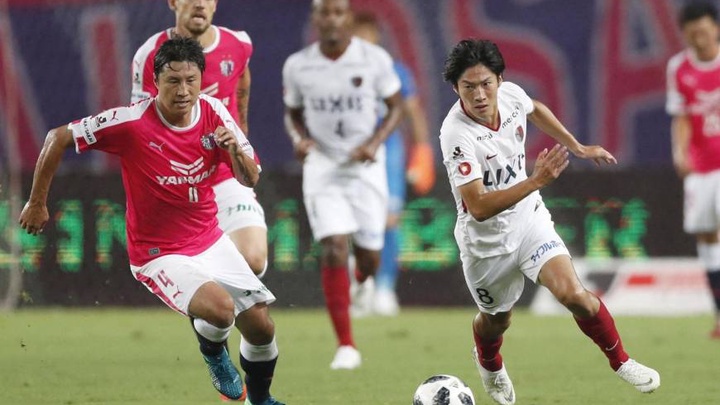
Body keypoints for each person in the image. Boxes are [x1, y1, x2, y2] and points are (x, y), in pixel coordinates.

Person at [20, 37, 284, 405]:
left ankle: (261, 399)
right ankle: (214, 356)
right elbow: (57, 137)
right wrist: (37, 202)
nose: (183, 90)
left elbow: (250, 177)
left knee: (262, 327)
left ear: (201, 80)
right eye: (173, 81)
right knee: (221, 309)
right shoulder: (131, 122)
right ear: (155, 80)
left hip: (210, 239)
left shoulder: (213, 112)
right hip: (159, 253)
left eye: (191, 80)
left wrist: (233, 150)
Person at [439, 39, 660, 404]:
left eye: (486, 84)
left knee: (576, 296)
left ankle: (621, 361)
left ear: (499, 79)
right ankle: (489, 360)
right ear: (455, 88)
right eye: (468, 87)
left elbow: (535, 109)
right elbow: (477, 206)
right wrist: (536, 181)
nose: (479, 95)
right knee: (497, 320)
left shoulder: (510, 96)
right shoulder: (456, 134)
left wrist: (576, 146)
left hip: (529, 219)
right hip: (485, 242)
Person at [282, 0, 403, 369]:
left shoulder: (375, 60)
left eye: (338, 12)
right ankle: (346, 345)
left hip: (366, 167)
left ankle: (361, 278)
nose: (332, 19)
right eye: (325, 12)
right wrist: (298, 140)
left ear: (348, 17)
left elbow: (396, 106)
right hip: (323, 166)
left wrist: (375, 142)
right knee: (334, 246)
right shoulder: (298, 65)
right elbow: (292, 113)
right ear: (316, 19)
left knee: (368, 257)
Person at [132, 0, 268, 278]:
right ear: (172, 3)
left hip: (224, 172)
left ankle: (210, 307)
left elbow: (242, 81)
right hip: (179, 180)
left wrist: (241, 131)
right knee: (201, 276)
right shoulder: (151, 54)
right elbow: (140, 124)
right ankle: (207, 307)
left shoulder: (238, 44)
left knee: (254, 259)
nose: (198, 4)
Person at [351, 11, 436, 317]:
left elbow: (412, 111)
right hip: (351, 154)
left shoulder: (394, 71)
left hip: (388, 152)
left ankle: (385, 287)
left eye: (366, 34)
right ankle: (362, 286)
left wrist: (423, 150)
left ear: (376, 37)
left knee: (389, 219)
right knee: (355, 223)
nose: (361, 40)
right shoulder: (339, 72)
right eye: (355, 34)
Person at [666, 1, 720, 339]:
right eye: (691, 33)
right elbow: (682, 115)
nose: (698, 38)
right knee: (707, 237)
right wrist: (680, 152)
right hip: (701, 168)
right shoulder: (678, 67)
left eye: (702, 31)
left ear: (715, 28)